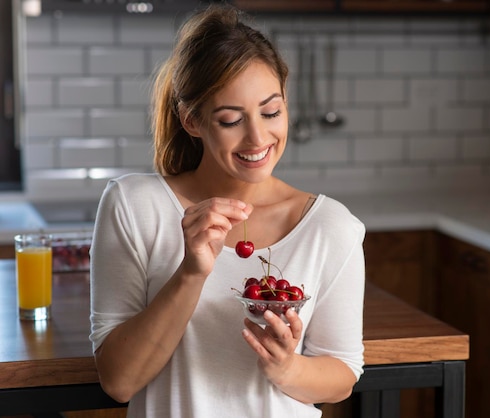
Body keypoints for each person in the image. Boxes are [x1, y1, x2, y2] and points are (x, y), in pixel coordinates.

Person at [88, 4, 366, 417]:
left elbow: (342, 373)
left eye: (271, 112)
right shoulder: (134, 205)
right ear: (191, 121)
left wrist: (288, 368)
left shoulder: (329, 226)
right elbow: (119, 381)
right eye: (231, 119)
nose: (258, 137)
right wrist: (191, 273)